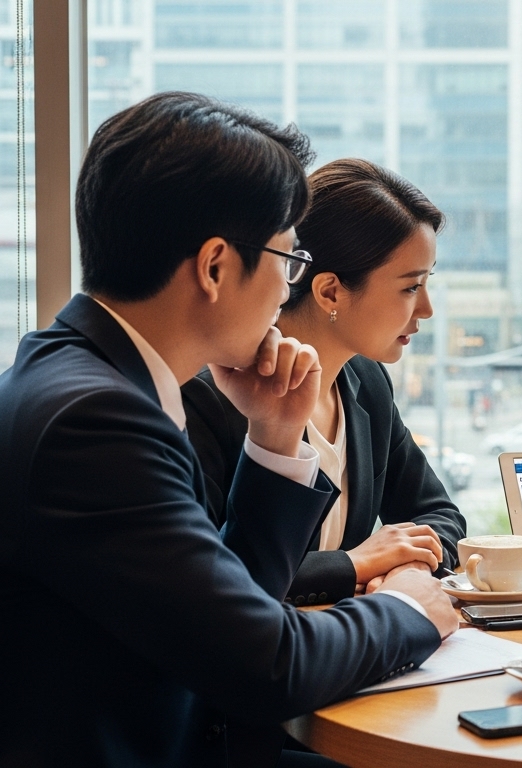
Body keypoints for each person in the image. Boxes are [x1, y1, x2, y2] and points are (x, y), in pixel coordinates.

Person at [0, 92, 458, 767]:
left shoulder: (76, 372)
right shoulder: (97, 423)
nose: (285, 291)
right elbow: (267, 667)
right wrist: (411, 612)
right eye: (288, 260)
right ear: (216, 267)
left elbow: (233, 614)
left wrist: (273, 439)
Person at [183, 158, 465, 606]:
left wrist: (409, 566)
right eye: (411, 287)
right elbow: (208, 578)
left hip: (348, 640)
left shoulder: (366, 381)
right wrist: (353, 565)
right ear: (330, 290)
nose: (426, 308)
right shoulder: (210, 396)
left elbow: (439, 514)